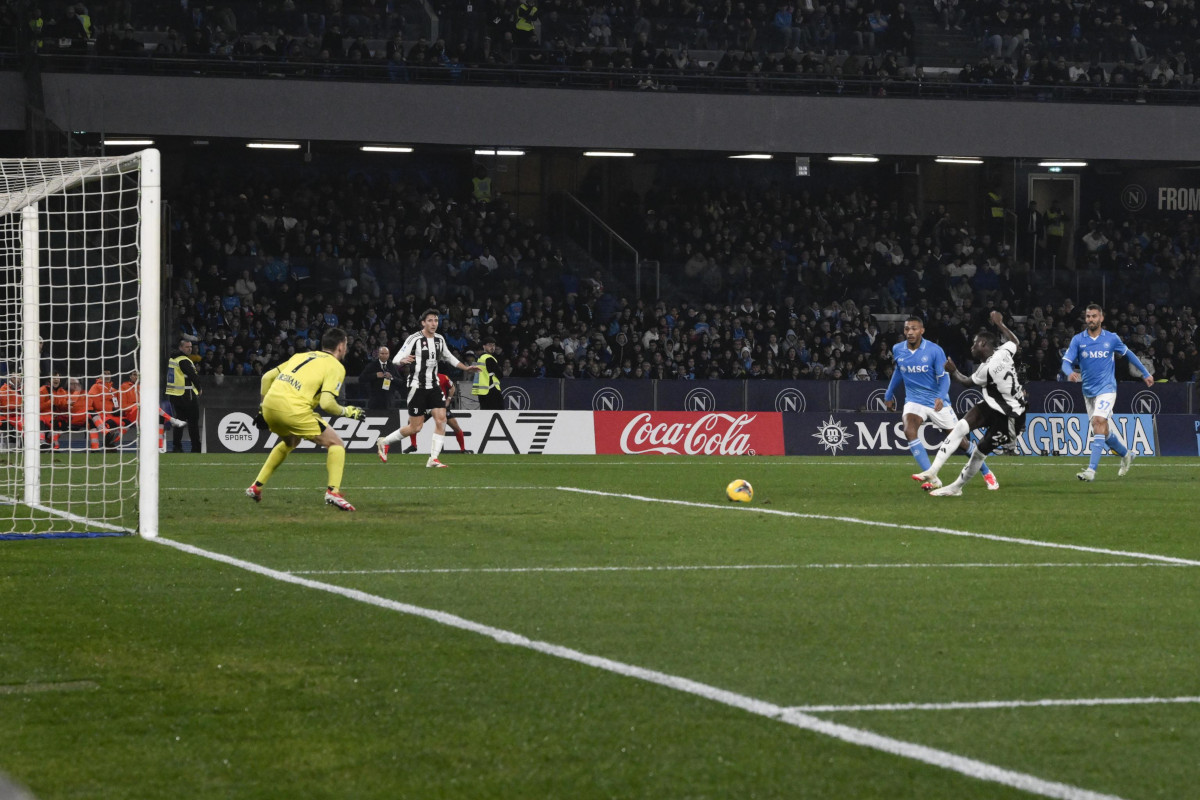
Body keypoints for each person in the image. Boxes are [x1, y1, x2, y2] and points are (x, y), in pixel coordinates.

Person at [245, 327, 364, 511]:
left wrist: (261, 409)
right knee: (336, 444)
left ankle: (256, 487)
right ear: (341, 347)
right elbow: (327, 404)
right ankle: (333, 491)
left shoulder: (301, 356)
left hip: (269, 406)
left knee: (290, 442)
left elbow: (267, 377)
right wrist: (348, 411)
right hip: (293, 409)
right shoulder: (335, 366)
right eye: (346, 345)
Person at [884, 316, 996, 490]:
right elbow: (899, 371)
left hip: (937, 400)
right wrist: (889, 393)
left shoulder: (934, 350)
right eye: (907, 329)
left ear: (922, 331)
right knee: (909, 430)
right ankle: (933, 478)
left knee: (962, 442)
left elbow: (944, 378)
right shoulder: (898, 349)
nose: (910, 332)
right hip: (913, 400)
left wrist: (940, 396)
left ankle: (987, 473)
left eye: (914, 329)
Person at [927, 311, 1027, 496]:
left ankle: (956, 487)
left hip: (1010, 418)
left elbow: (965, 383)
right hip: (994, 405)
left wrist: (953, 370)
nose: (972, 347)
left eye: (975, 343)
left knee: (979, 453)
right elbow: (1015, 342)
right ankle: (933, 470)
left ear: (983, 344)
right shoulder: (1003, 351)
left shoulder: (987, 369)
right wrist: (1000, 323)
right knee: (960, 428)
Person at [375, 308, 480, 468]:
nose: (434, 323)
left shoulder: (439, 339)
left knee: (441, 419)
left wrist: (465, 368)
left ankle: (433, 458)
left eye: (436, 320)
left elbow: (449, 357)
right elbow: (396, 359)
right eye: (430, 320)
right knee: (415, 427)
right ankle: (384, 441)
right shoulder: (414, 338)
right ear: (423, 323)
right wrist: (403, 360)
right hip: (417, 387)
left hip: (434, 386)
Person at [1061, 303, 1154, 482]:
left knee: (1098, 421)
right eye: (1088, 316)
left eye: (1094, 316)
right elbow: (1066, 361)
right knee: (1102, 431)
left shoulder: (1111, 338)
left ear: (1101, 318)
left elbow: (1129, 355)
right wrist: (1069, 372)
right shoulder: (1078, 340)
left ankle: (1091, 470)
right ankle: (1127, 454)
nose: (1091, 319)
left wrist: (1145, 372)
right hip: (1088, 391)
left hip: (1107, 388)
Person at [406, 372, 468, 455]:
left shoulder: (444, 377)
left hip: (439, 406)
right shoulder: (421, 377)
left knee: (456, 427)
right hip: (426, 407)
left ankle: (463, 449)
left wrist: (448, 399)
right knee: (411, 423)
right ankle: (413, 445)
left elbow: (452, 387)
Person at [166, 338, 202, 453]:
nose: (190, 349)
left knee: (179, 422)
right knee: (193, 423)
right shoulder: (184, 360)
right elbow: (192, 375)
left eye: (191, 347)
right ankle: (196, 447)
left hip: (176, 395)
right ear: (181, 348)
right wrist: (199, 388)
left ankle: (177, 446)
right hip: (187, 395)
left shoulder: (173, 359)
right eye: (187, 347)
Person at [87, 369, 122, 448]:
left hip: (109, 415)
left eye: (108, 373)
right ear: (100, 376)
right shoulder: (95, 387)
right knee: (95, 423)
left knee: (123, 422)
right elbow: (91, 403)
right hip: (97, 414)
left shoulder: (113, 390)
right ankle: (96, 447)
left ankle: (107, 444)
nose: (107, 375)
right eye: (104, 373)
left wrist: (117, 409)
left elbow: (117, 404)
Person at [358, 345, 396, 411]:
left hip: (388, 400)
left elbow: (400, 381)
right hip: (375, 399)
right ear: (378, 354)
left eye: (386, 354)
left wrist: (391, 377)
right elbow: (361, 378)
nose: (384, 355)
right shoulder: (371, 365)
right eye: (382, 353)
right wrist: (375, 375)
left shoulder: (391, 366)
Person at [39, 372, 70, 449]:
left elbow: (64, 408)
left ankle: (49, 442)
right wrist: (49, 403)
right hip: (44, 416)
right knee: (43, 421)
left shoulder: (62, 392)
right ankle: (43, 442)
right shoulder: (43, 390)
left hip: (56, 416)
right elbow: (38, 407)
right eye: (54, 378)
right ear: (49, 380)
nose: (56, 380)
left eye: (57, 378)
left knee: (62, 424)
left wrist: (68, 405)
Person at [472, 336, 503, 410]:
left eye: (493, 345)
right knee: (499, 412)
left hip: (482, 392)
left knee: (485, 415)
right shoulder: (488, 358)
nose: (492, 347)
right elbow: (500, 374)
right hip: (491, 390)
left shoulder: (480, 358)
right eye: (489, 345)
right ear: (484, 346)